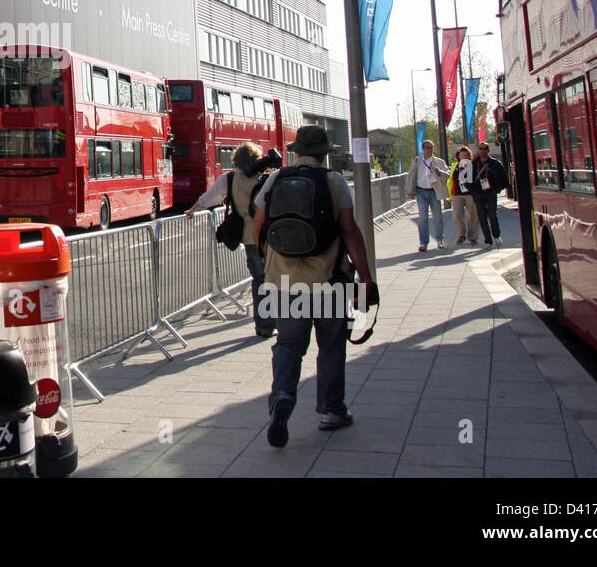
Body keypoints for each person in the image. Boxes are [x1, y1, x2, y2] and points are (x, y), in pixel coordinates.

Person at [251, 125, 376, 448]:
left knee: (289, 346)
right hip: (329, 281)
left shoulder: (275, 180)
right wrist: (366, 277)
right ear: (324, 153)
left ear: (295, 152)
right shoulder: (335, 182)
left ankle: (281, 398)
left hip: (283, 283)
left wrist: (270, 260)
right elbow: (350, 231)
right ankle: (331, 410)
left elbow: (259, 227)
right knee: (331, 346)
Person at [186, 142, 283, 338]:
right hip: (271, 236)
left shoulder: (229, 179)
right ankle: (275, 321)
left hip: (248, 237)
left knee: (259, 279)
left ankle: (263, 325)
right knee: (275, 279)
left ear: (236, 160)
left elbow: (208, 198)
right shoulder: (267, 177)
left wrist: (192, 210)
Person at [406, 139, 450, 252]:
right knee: (423, 218)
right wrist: (410, 190)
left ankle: (440, 240)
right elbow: (411, 175)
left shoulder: (439, 161)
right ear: (423, 149)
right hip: (421, 191)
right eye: (427, 148)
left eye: (431, 147)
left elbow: (448, 174)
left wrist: (440, 172)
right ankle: (423, 243)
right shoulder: (417, 160)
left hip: (434, 191)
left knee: (438, 217)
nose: (430, 150)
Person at [471, 143, 508, 246]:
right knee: (482, 217)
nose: (483, 150)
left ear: (488, 150)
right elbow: (466, 180)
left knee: (492, 215)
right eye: (481, 148)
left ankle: (496, 235)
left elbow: (504, 179)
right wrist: (474, 192)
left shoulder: (495, 163)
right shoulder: (473, 164)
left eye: (485, 148)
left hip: (491, 192)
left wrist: (496, 189)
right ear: (478, 150)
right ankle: (488, 240)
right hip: (479, 193)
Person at [449, 145, 479, 246]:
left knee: (472, 216)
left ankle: (473, 237)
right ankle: (461, 235)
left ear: (469, 156)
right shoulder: (456, 166)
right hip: (457, 194)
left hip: (470, 194)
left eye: (465, 155)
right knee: (457, 215)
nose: (463, 157)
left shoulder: (473, 165)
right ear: (458, 156)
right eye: (461, 155)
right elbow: (451, 179)